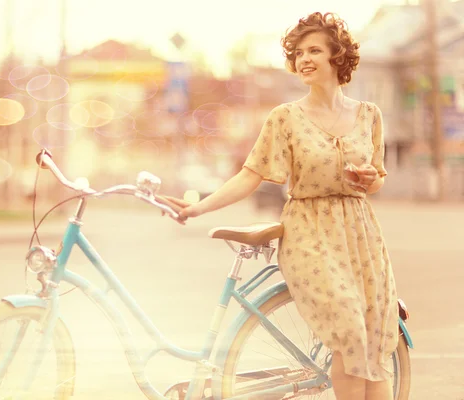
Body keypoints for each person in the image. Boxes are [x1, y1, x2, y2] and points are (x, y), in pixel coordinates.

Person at [167, 12, 399, 400]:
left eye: (315, 50)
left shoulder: (369, 115)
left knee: (374, 337)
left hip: (360, 231)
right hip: (309, 230)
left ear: (337, 58)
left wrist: (367, 180)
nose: (304, 59)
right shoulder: (286, 118)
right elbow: (250, 175)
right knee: (349, 329)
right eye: (299, 52)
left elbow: (377, 178)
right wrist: (198, 207)